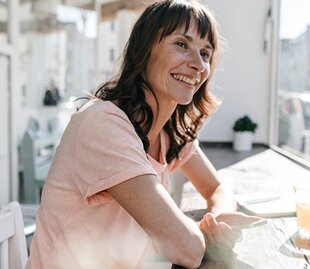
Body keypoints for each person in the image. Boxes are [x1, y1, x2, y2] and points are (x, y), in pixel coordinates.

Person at [26, 1, 261, 268]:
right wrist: (201, 233)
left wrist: (217, 220)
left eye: (205, 53)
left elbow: (217, 188)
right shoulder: (104, 125)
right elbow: (188, 249)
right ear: (145, 50)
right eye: (182, 45)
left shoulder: (168, 132)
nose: (198, 64)